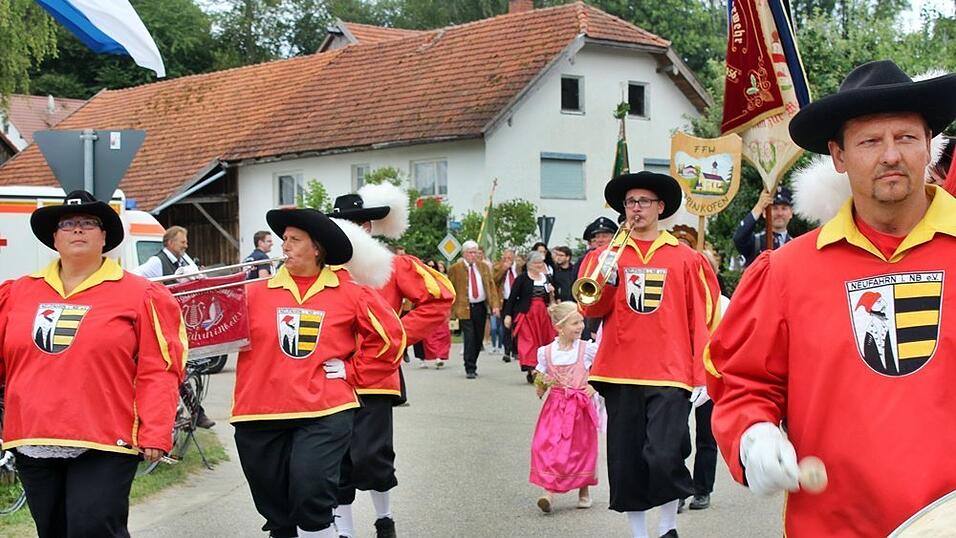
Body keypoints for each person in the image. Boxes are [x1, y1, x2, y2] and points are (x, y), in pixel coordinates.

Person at [707, 60, 956, 537]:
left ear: (929, 144)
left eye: (905, 137)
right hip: (830, 528)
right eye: (869, 141)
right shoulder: (785, 271)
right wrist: (752, 434)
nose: (890, 156)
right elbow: (743, 384)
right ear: (838, 156)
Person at [0, 190, 185, 537]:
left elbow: (160, 366)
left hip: (105, 437)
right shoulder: (18, 293)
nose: (77, 230)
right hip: (33, 435)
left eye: (88, 223)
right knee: (52, 531)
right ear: (54, 238)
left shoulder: (140, 294)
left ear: (104, 237)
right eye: (67, 224)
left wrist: (156, 428)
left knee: (93, 527)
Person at [231, 207, 405, 538]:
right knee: (277, 512)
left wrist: (355, 371)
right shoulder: (251, 293)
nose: (285, 246)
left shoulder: (351, 292)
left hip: (325, 410)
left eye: (295, 240)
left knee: (312, 499)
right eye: (284, 239)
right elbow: (202, 330)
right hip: (259, 413)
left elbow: (390, 338)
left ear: (317, 249)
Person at [579, 171, 719, 538]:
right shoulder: (605, 256)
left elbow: (701, 318)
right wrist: (606, 285)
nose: (635, 209)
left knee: (665, 454)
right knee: (626, 461)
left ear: (660, 207)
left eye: (643, 202)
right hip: (619, 371)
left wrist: (702, 372)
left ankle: (668, 527)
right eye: (630, 202)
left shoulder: (686, 257)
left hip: (670, 373)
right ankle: (641, 534)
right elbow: (590, 309)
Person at [329, 185, 455, 538]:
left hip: (376, 374)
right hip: (329, 376)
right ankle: (344, 530)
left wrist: (396, 334)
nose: (350, 231)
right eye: (341, 225)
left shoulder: (394, 265)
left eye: (356, 224)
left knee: (372, 455)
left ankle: (385, 519)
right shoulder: (324, 268)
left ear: (368, 227)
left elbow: (440, 299)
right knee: (337, 459)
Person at [530, 302, 599, 514]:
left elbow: (601, 368)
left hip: (579, 406)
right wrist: (541, 384)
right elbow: (541, 375)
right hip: (556, 405)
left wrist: (593, 385)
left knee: (580, 447)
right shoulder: (546, 352)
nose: (580, 326)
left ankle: (583, 488)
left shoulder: (586, 349)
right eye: (575, 323)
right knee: (548, 445)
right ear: (560, 327)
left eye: (581, 322)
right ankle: (548, 492)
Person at [448, 241, 501, 379]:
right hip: (464, 307)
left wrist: (494, 305)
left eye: (475, 253)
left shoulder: (483, 267)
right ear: (464, 253)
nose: (473, 255)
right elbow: (450, 288)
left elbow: (491, 286)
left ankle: (473, 361)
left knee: (478, 338)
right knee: (470, 337)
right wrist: (451, 309)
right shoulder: (456, 268)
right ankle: (469, 367)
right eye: (471, 253)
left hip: (480, 307)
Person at [503, 251, 557, 384]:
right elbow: (512, 298)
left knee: (543, 341)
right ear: (529, 264)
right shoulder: (522, 279)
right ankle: (531, 368)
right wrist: (508, 315)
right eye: (536, 263)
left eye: (541, 262)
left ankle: (540, 369)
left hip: (543, 315)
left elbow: (551, 300)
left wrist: (552, 293)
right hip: (526, 314)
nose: (539, 265)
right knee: (528, 341)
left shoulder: (546, 278)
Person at [573, 216, 617, 340]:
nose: (599, 240)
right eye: (597, 237)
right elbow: (577, 284)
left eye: (604, 236)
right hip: (591, 314)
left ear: (614, 237)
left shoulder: (619, 256)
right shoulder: (588, 258)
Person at [732, 187, 795, 267]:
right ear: (764, 213)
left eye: (784, 208)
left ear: (791, 213)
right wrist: (758, 207)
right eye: (774, 208)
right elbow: (739, 238)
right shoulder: (756, 242)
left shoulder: (796, 245)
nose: (779, 213)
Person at [420, 259, 453, 368]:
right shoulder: (421, 279)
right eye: (428, 266)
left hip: (441, 309)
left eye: (433, 266)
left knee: (443, 334)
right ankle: (433, 355)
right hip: (428, 309)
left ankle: (440, 356)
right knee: (430, 336)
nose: (431, 268)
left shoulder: (441, 279)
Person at [133, 225, 199, 278]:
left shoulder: (182, 261)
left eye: (186, 243)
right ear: (170, 243)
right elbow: (133, 277)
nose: (186, 246)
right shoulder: (157, 261)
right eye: (183, 242)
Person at [494, 248, 522, 362]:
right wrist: (503, 269)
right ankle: (507, 351)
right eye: (505, 258)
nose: (507, 260)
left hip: (518, 300)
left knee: (517, 325)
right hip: (504, 300)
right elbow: (494, 281)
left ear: (514, 257)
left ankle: (516, 350)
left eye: (509, 258)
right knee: (506, 326)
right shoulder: (497, 267)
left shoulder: (520, 267)